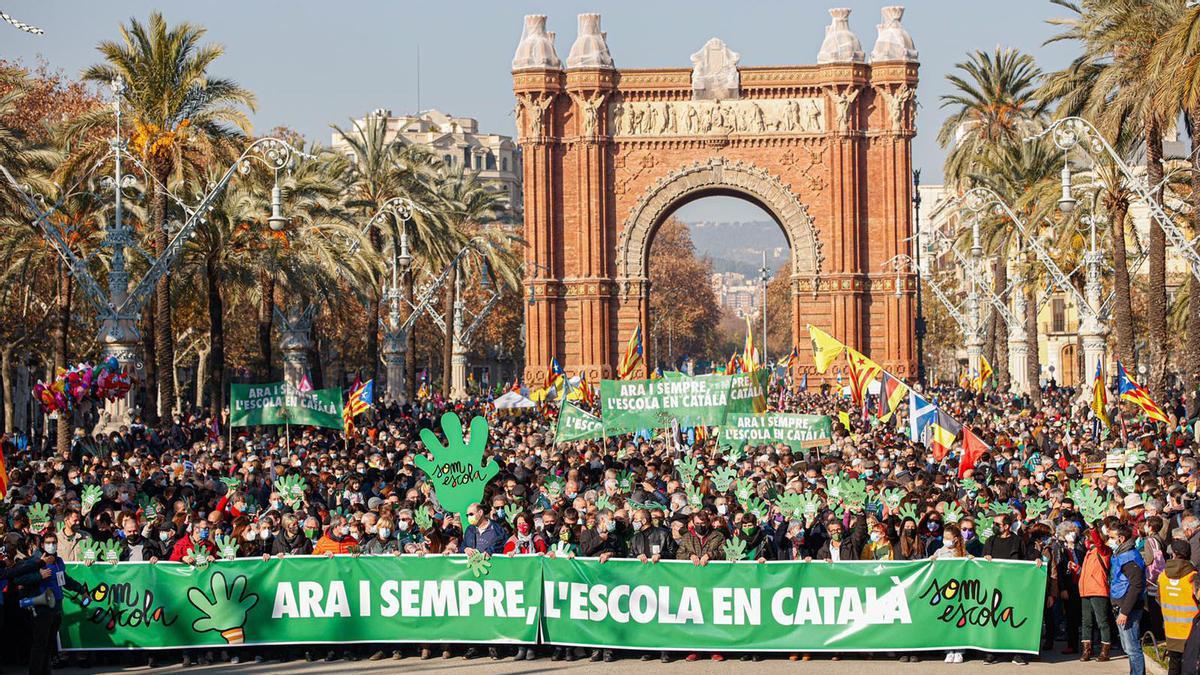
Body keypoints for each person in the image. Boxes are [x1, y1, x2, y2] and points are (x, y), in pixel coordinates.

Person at [983, 513, 1030, 666]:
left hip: (1014, 587)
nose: (994, 526)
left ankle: (1017, 653)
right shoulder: (990, 541)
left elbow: (1026, 559)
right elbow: (982, 562)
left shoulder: (1017, 541)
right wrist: (986, 558)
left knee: (1012, 619)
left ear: (1006, 526)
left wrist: (1035, 559)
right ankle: (993, 652)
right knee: (994, 619)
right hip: (994, 586)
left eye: (997, 524)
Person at [1110, 521, 1146, 675]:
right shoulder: (1121, 554)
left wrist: (1124, 611)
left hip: (1129, 608)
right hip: (1121, 604)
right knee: (1128, 648)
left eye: (1112, 537)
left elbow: (1136, 586)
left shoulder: (1129, 558)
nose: (1109, 540)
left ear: (1122, 539)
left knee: (1132, 648)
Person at [1157, 539, 1198, 675]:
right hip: (1191, 633)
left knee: (1174, 665)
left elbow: (1159, 599)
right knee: (1190, 667)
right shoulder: (1193, 577)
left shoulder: (1162, 577)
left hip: (1171, 630)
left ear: (1173, 554)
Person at [930, 523, 967, 663]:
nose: (945, 540)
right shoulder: (940, 551)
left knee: (958, 619)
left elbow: (972, 565)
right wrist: (932, 560)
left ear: (956, 538)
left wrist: (971, 559)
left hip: (960, 590)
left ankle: (959, 650)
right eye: (944, 537)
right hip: (945, 589)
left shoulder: (963, 552)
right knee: (947, 618)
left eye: (948, 537)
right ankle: (948, 649)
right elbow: (931, 565)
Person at [1079, 528, 1114, 662]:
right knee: (1086, 622)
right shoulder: (1089, 553)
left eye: (1089, 538)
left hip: (1098, 590)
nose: (1087, 541)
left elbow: (1099, 543)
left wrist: (1092, 527)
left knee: (1102, 622)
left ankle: (1105, 652)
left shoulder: (1104, 550)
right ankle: (1086, 650)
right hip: (1086, 590)